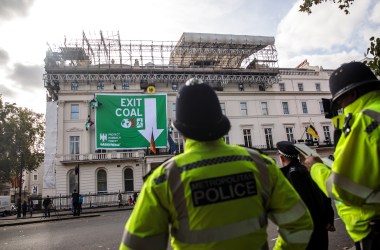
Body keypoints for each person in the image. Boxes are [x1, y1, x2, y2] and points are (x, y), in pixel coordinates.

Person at [120, 79, 314, 250]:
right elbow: (300, 224)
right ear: (220, 122)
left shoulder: (163, 179)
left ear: (180, 131)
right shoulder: (260, 164)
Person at [304, 61, 380, 250]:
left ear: (351, 94)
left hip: (373, 227)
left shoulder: (365, 121)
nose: (340, 108)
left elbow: (343, 188)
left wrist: (315, 167)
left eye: (339, 102)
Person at [276, 141, 335, 250]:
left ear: (281, 158)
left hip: (307, 234)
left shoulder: (293, 176)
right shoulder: (309, 170)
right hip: (320, 229)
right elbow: (324, 195)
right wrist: (329, 218)